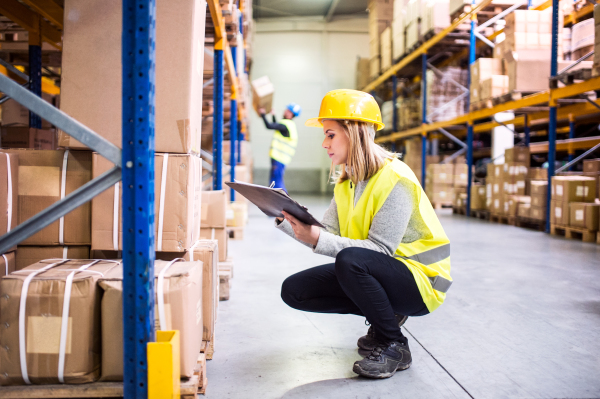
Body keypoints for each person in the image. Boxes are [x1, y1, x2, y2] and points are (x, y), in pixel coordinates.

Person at [275, 89, 452, 379]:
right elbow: (327, 234)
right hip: (384, 271)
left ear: (354, 132)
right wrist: (287, 220)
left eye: (330, 134)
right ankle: (387, 315)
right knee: (294, 291)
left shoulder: (396, 178)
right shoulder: (347, 183)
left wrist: (316, 237)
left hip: (423, 281)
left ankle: (394, 344)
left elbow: (378, 250)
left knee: (350, 261)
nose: (324, 143)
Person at [258, 103, 301, 191]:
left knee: (276, 183)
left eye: (288, 111)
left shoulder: (286, 125)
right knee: (277, 181)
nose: (285, 111)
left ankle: (282, 201)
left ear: (290, 114)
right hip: (281, 159)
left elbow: (269, 126)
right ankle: (282, 201)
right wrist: (273, 115)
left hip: (279, 158)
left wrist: (262, 114)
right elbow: (276, 126)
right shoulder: (289, 125)